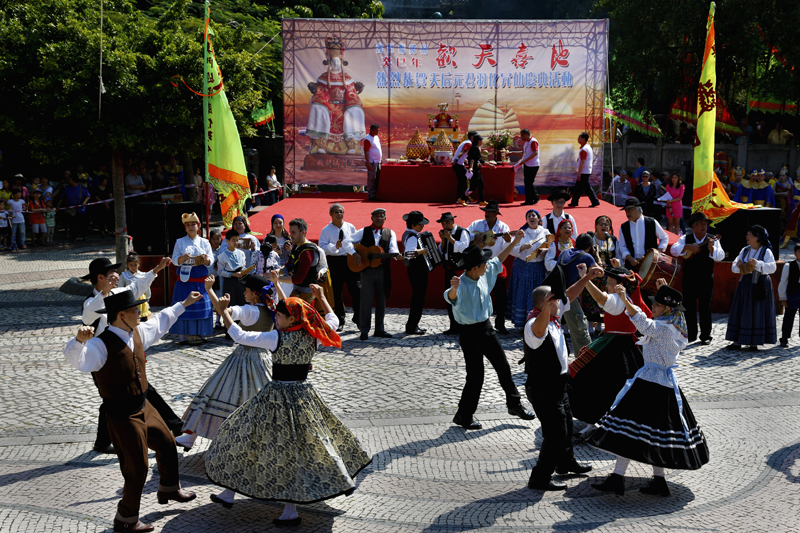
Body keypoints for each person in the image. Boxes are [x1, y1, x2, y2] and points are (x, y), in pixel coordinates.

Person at [205, 288, 371, 527]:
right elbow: (333, 320)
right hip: (303, 397)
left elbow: (240, 336)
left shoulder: (276, 338)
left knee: (246, 438)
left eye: (280, 316)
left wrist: (223, 312)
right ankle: (229, 493)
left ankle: (287, 510)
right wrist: (322, 297)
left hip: (276, 397)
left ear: (292, 318)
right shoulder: (313, 334)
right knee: (287, 448)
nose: (276, 319)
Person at [64, 290, 201, 532]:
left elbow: (162, 320)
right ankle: (125, 519)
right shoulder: (99, 344)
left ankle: (169, 489)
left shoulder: (136, 331)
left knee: (168, 443)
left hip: (143, 405)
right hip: (121, 414)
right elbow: (79, 361)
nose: (140, 313)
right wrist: (78, 342)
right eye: (135, 310)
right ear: (121, 315)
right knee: (137, 468)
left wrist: (185, 303)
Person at [589, 282, 709, 497]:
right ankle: (658, 481)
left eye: (658, 305)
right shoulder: (674, 327)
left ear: (668, 309)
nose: (654, 307)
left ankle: (618, 478)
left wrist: (625, 299)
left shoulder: (663, 329)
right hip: (664, 385)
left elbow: (642, 323)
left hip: (649, 384)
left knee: (627, 431)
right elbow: (647, 319)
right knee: (655, 436)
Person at [175, 274, 277, 467]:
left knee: (217, 392)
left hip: (243, 358)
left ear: (255, 294)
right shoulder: (270, 309)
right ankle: (191, 435)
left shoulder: (249, 310)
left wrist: (209, 290)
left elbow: (224, 313)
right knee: (255, 399)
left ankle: (192, 436)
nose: (244, 292)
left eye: (246, 290)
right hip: (263, 359)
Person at [523, 264, 601, 491]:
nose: (562, 302)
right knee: (556, 433)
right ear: (545, 303)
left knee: (566, 424)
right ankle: (539, 477)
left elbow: (572, 294)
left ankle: (565, 463)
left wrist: (587, 277)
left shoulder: (553, 314)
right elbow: (539, 331)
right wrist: (548, 308)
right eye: (556, 301)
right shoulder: (534, 324)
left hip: (559, 385)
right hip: (543, 389)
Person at [445, 239, 536, 430]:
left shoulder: (484, 273)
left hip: (486, 329)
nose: (488, 265)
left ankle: (514, 404)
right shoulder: (460, 284)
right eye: (484, 263)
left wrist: (516, 242)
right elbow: (450, 297)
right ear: (475, 267)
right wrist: (453, 289)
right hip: (469, 334)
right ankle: (464, 415)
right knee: (476, 376)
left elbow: (499, 258)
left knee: (503, 367)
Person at [569, 265, 649, 424]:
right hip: (629, 344)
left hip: (614, 345)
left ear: (621, 286)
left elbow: (600, 298)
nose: (607, 285)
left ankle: (599, 413)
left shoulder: (618, 300)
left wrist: (585, 278)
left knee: (596, 378)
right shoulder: (630, 299)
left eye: (610, 282)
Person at [343, 208, 399, 340]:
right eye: (377, 216)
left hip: (383, 271)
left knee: (381, 300)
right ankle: (364, 330)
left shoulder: (390, 233)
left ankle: (379, 329)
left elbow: (393, 249)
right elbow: (346, 241)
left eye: (382, 216)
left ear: (385, 218)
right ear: (372, 218)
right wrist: (354, 253)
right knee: (366, 301)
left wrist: (397, 255)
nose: (380, 218)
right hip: (366, 271)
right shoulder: (364, 231)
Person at [306, 35, 367, 156]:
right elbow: (321, 95)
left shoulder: (347, 78)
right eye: (333, 61)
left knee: (355, 111)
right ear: (329, 62)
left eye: (337, 61)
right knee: (317, 108)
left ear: (341, 62)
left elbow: (351, 94)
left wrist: (353, 105)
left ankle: (352, 144)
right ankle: (321, 143)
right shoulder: (323, 78)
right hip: (328, 106)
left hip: (344, 107)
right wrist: (324, 104)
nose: (335, 64)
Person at [670, 212, 724, 345]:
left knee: (706, 307)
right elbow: (674, 250)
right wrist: (687, 247)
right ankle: (691, 334)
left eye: (705, 224)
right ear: (693, 226)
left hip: (706, 279)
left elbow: (720, 256)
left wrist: (711, 249)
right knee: (689, 306)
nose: (703, 226)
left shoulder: (713, 239)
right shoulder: (685, 238)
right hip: (689, 278)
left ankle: (705, 335)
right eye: (700, 223)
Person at [725, 225, 777, 351]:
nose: (747, 237)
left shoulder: (766, 251)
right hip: (745, 284)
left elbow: (772, 268)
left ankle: (754, 342)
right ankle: (737, 341)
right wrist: (738, 265)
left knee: (757, 312)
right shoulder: (745, 250)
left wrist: (757, 264)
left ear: (757, 238)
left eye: (749, 234)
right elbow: (734, 266)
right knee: (742, 310)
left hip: (760, 284)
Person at [467, 201, 512, 333]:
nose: (487, 214)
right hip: (479, 264)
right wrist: (475, 236)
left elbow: (505, 248)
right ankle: (478, 322)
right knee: (479, 295)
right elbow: (466, 234)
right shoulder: (477, 224)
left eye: (490, 212)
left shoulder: (503, 227)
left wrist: (509, 240)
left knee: (501, 297)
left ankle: (500, 323)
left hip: (496, 263)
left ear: (496, 214)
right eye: (486, 212)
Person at [170, 213, 214, 345]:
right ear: (185, 228)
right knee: (184, 304)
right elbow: (174, 260)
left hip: (200, 276)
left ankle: (200, 333)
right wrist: (182, 258)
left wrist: (206, 259)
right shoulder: (179, 242)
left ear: (198, 226)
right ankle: (183, 335)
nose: (190, 227)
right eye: (187, 225)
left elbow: (211, 259)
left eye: (193, 224)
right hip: (185, 277)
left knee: (201, 303)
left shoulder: (205, 242)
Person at [319, 203, 360, 332]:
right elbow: (322, 248)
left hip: (349, 260)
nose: (339, 214)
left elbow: (356, 242)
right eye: (336, 212)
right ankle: (340, 320)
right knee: (337, 291)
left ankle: (358, 317)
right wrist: (334, 247)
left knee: (357, 288)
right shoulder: (326, 230)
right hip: (334, 261)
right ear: (330, 214)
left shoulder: (350, 227)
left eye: (341, 212)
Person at [506, 209, 550, 327]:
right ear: (526, 220)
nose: (531, 217)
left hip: (538, 268)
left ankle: (537, 321)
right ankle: (523, 323)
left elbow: (552, 247)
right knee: (523, 294)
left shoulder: (545, 232)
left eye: (533, 215)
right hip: (523, 267)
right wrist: (522, 247)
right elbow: (511, 250)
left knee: (537, 295)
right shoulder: (521, 233)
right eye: (529, 216)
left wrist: (544, 251)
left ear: (539, 219)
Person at [555, 233, 596, 356]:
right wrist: (596, 257)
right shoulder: (586, 256)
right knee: (579, 329)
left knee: (553, 326)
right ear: (589, 247)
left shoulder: (564, 252)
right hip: (570, 297)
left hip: (555, 292)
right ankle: (584, 360)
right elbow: (598, 272)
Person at [437, 212, 471, 334]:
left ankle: (463, 325)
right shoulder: (445, 234)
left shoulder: (462, 232)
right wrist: (444, 240)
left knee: (461, 298)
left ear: (452, 221)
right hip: (448, 269)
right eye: (442, 223)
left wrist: (450, 238)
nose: (444, 225)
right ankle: (453, 326)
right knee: (450, 297)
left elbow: (464, 248)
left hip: (459, 269)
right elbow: (440, 250)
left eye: (446, 222)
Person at [280, 218, 326, 305]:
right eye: (290, 232)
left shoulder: (307, 252)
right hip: (297, 291)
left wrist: (276, 279)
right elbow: (288, 265)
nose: (290, 235)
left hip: (307, 294)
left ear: (303, 232)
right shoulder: (296, 247)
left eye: (293, 232)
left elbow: (299, 279)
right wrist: (275, 272)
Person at [617, 198, 669, 272]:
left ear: (639, 209)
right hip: (632, 264)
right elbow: (622, 246)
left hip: (651, 263)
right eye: (626, 210)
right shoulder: (624, 227)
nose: (628, 213)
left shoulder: (651, 222)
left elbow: (664, 237)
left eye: (630, 210)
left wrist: (657, 254)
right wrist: (630, 259)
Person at [402, 210, 431, 335]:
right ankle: (412, 326)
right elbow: (408, 254)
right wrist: (422, 251)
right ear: (413, 225)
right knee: (418, 299)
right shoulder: (413, 237)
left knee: (417, 298)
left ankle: (412, 325)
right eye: (420, 224)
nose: (422, 226)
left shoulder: (407, 233)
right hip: (417, 271)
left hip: (414, 271)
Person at [216, 229, 248, 308]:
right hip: (229, 282)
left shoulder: (241, 253)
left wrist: (244, 271)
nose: (236, 243)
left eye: (237, 240)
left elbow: (243, 266)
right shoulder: (222, 256)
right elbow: (219, 272)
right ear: (227, 241)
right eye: (233, 240)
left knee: (242, 302)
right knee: (231, 304)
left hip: (241, 280)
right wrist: (232, 274)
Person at [569, 132, 600, 208]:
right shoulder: (587, 147)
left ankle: (595, 200)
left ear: (583, 139)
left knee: (587, 187)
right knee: (578, 187)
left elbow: (583, 161)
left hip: (584, 171)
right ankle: (574, 201)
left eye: (579, 137)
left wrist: (579, 173)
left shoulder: (584, 149)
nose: (578, 139)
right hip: (585, 170)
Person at [118, 252, 152, 320]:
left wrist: (146, 300)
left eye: (135, 265)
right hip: (129, 301)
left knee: (141, 321)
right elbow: (120, 289)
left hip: (142, 302)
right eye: (131, 265)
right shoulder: (124, 275)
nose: (133, 267)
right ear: (127, 265)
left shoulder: (143, 275)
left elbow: (147, 289)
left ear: (138, 264)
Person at [778, 244, 800, 348]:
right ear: (795, 253)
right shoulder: (789, 266)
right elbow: (783, 283)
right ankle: (784, 338)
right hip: (792, 294)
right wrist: (783, 298)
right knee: (789, 316)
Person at [60, 173, 91, 242]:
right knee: (72, 224)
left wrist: (84, 202)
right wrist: (58, 205)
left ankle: (84, 236)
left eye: (69, 179)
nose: (68, 181)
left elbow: (88, 195)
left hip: (81, 209)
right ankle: (74, 236)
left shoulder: (81, 187)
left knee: (82, 223)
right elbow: (62, 197)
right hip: (71, 209)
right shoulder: (67, 188)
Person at [515, 128, 541, 205]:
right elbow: (523, 153)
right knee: (528, 183)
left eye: (522, 136)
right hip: (527, 164)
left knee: (528, 183)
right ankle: (535, 197)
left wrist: (525, 160)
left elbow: (535, 152)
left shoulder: (533, 141)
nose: (521, 137)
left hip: (533, 165)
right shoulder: (526, 142)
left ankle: (529, 200)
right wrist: (512, 153)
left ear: (526, 134)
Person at [467, 134, 493, 206]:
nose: (482, 142)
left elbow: (479, 160)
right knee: (473, 186)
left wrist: (489, 164)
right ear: (479, 141)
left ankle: (482, 200)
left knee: (480, 185)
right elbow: (472, 159)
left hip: (477, 169)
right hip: (475, 169)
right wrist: (471, 167)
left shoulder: (477, 148)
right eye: (481, 140)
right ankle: (463, 198)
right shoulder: (474, 148)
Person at [452, 131, 476, 205]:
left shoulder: (466, 142)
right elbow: (462, 152)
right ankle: (461, 199)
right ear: (472, 137)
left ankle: (464, 198)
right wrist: (456, 160)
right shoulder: (468, 143)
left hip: (459, 164)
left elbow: (463, 154)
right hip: (458, 164)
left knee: (463, 182)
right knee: (463, 182)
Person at [364, 123, 382, 200]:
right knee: (371, 179)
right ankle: (371, 195)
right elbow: (366, 151)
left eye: (378, 130)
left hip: (378, 161)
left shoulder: (376, 137)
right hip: (372, 162)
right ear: (371, 130)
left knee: (377, 179)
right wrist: (368, 162)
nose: (377, 132)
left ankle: (376, 194)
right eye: (376, 131)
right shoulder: (367, 139)